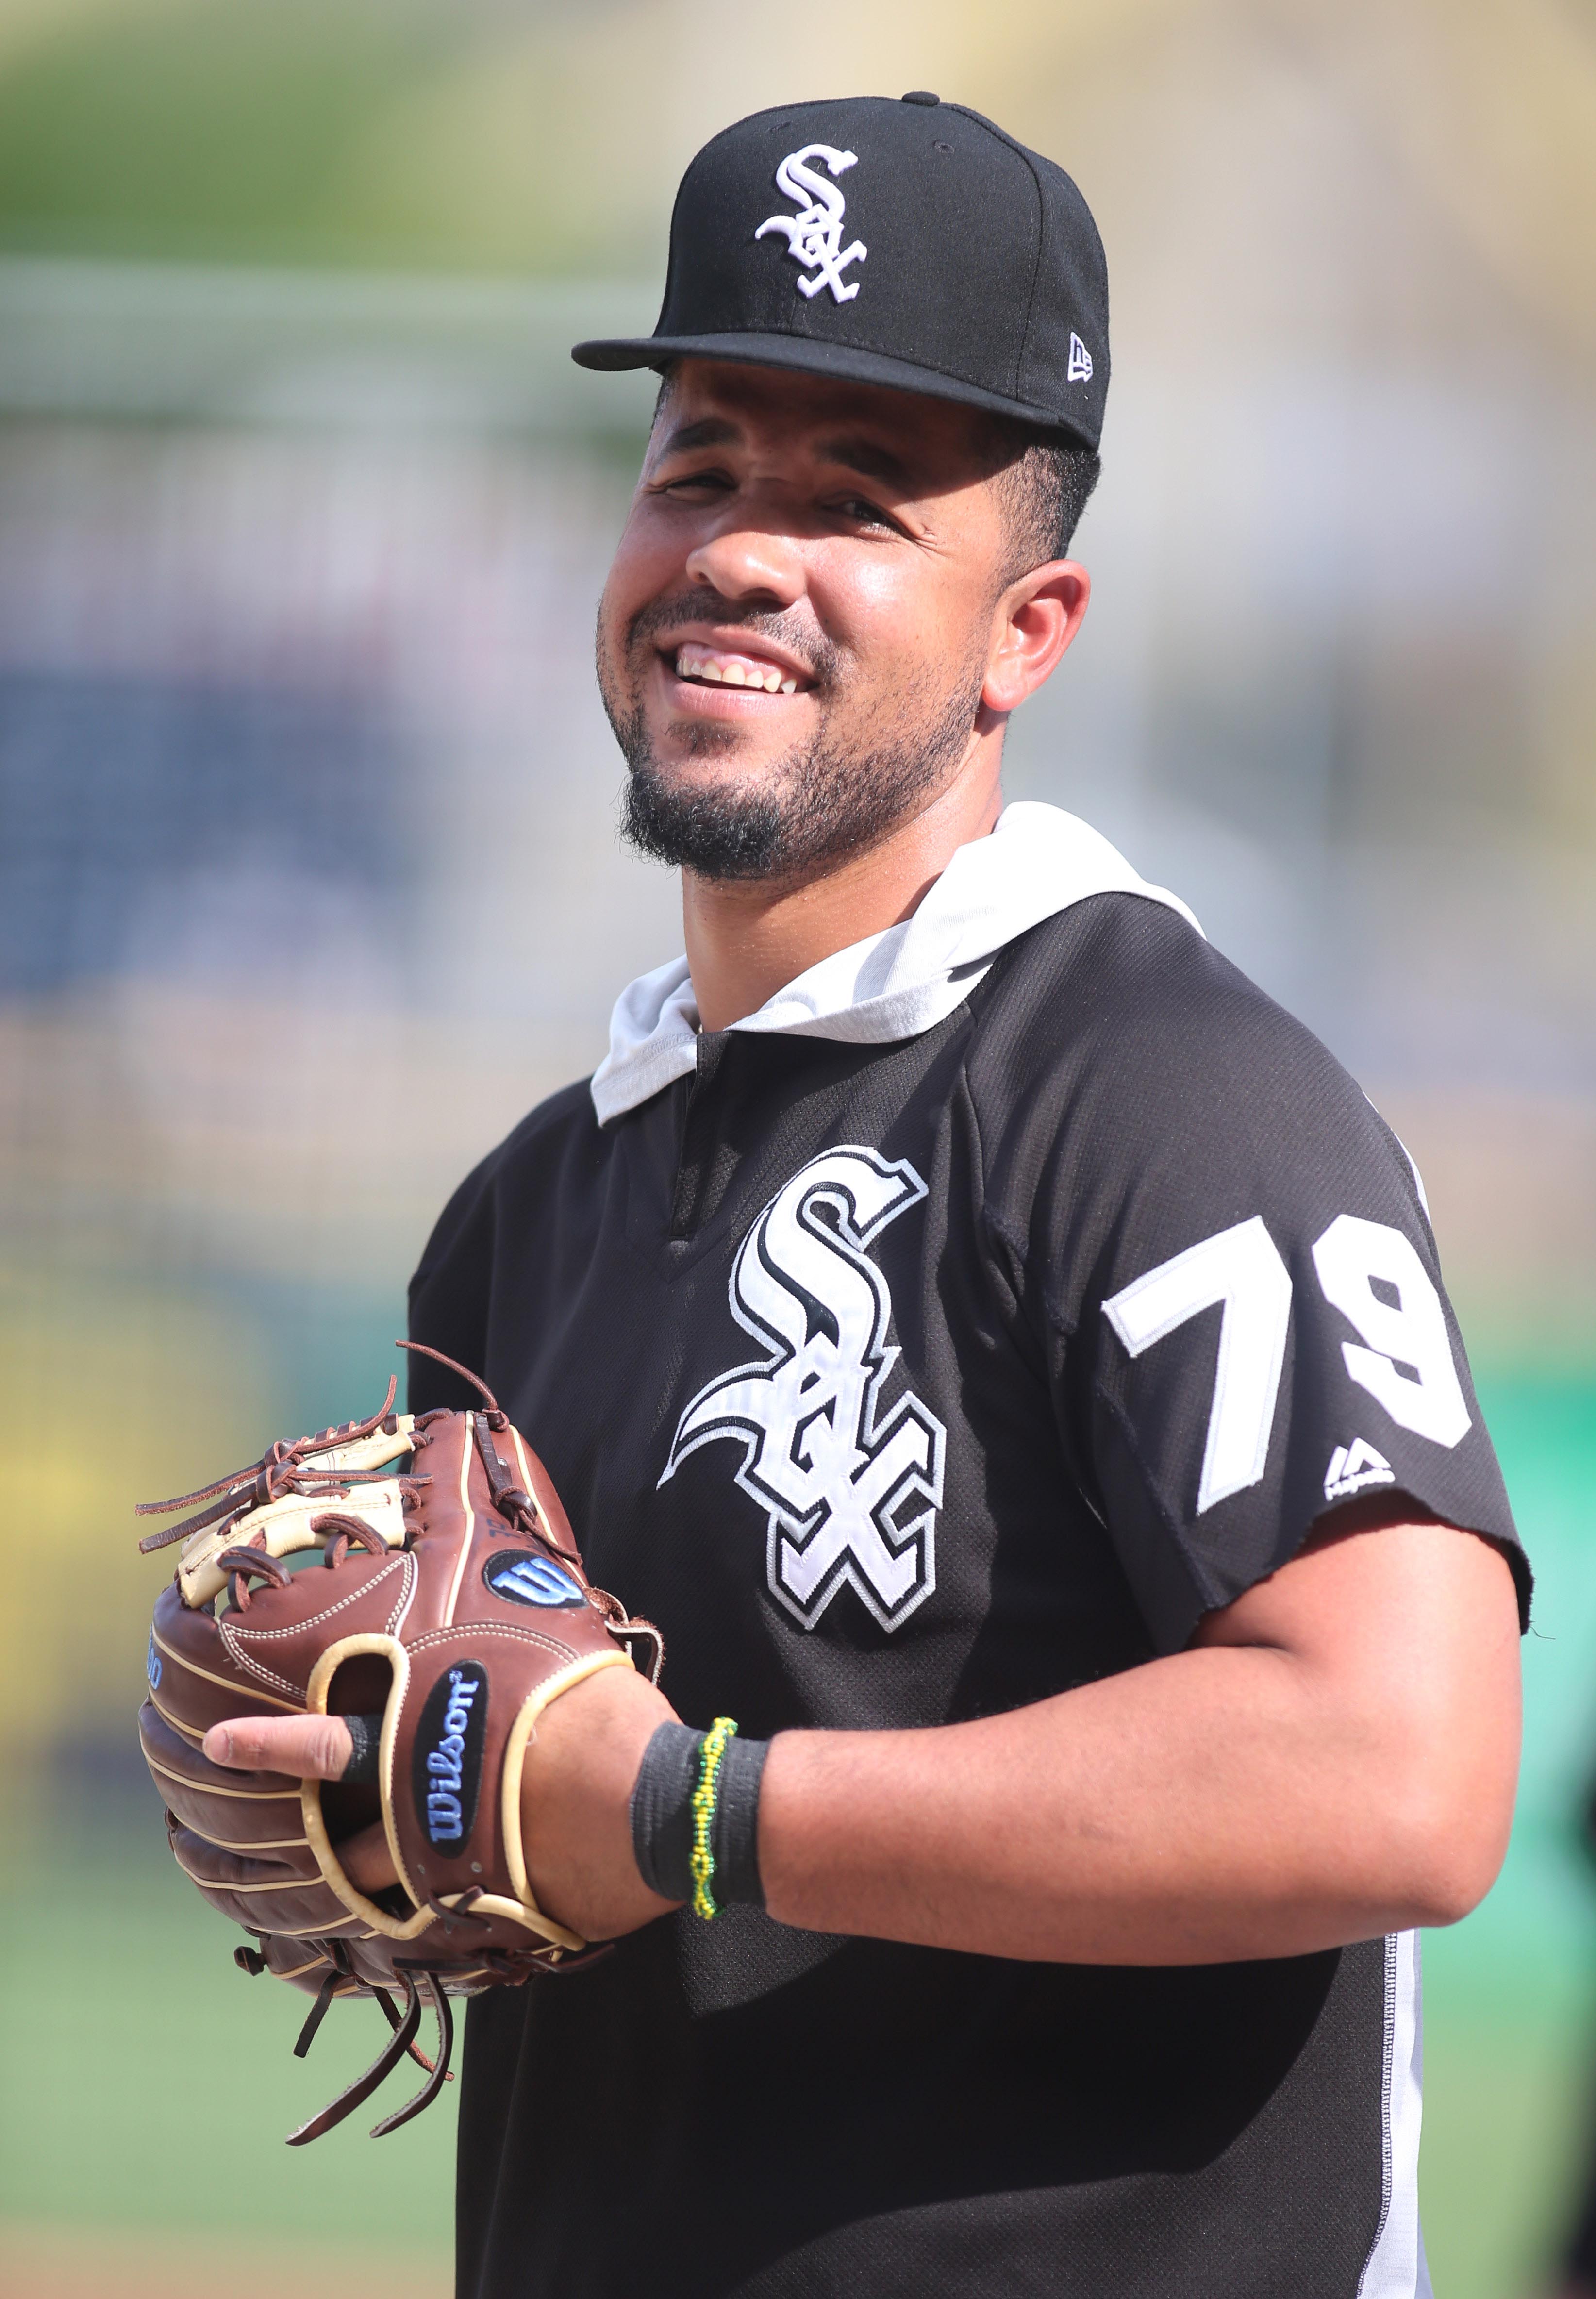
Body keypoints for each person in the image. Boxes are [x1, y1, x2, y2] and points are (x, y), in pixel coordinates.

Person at [201, 94, 1529, 2299]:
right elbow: (564, 1809)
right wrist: (410, 1796)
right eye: (701, 465)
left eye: (854, 501)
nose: (739, 552)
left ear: (1029, 628)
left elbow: (1400, 1762)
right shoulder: (525, 1205)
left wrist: (681, 1811)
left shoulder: (1166, 1095)